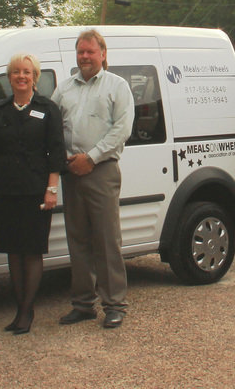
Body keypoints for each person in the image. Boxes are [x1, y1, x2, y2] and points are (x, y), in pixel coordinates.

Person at [54, 29, 135, 329]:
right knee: (77, 240)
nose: (85, 57)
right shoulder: (64, 90)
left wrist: (91, 158)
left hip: (101, 170)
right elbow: (52, 127)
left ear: (102, 53)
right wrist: (67, 159)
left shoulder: (117, 86)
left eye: (90, 51)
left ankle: (115, 304)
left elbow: (122, 129)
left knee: (106, 239)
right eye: (80, 52)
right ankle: (83, 304)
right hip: (71, 170)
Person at [0, 53, 64, 334]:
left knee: (31, 251)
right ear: (9, 76)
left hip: (36, 192)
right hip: (6, 191)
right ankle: (19, 308)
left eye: (27, 72)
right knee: (12, 252)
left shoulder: (48, 109)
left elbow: (56, 153)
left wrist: (52, 190)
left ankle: (26, 311)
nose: (21, 76)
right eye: (16, 72)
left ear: (35, 77)